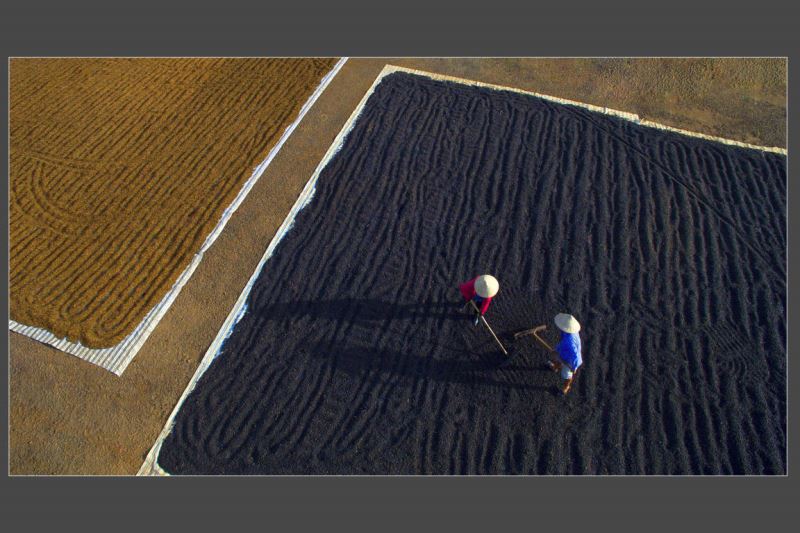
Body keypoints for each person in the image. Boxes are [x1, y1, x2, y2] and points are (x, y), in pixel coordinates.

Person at [547, 313, 583, 395]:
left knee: (567, 375)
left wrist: (574, 367)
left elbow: (575, 356)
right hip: (563, 354)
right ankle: (555, 367)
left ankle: (566, 387)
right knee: (557, 360)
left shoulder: (569, 341)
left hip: (570, 361)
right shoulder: (569, 333)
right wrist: (557, 351)